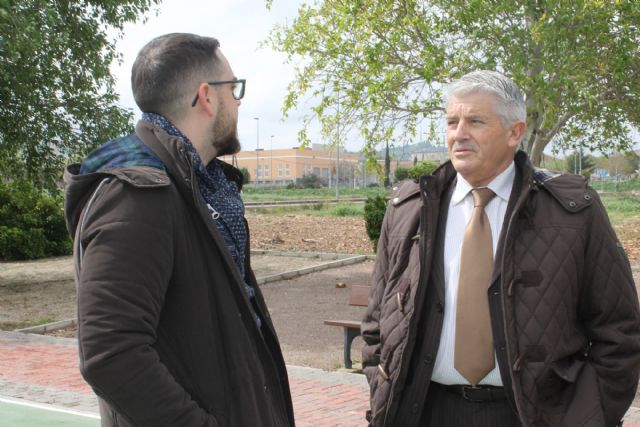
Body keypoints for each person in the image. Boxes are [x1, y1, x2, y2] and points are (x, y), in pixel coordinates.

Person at [361, 70, 640, 427]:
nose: (459, 134)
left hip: (532, 416)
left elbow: (618, 330)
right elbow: (376, 323)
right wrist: (382, 389)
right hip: (423, 411)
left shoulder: (572, 212)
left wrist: (587, 415)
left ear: (515, 132)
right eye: (452, 122)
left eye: (475, 121)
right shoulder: (408, 209)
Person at [64, 33, 294, 427]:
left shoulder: (199, 187)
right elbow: (110, 354)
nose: (239, 102)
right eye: (234, 89)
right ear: (207, 96)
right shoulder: (139, 194)